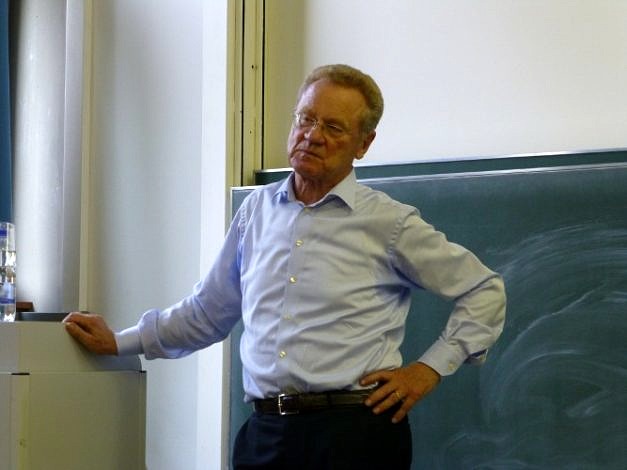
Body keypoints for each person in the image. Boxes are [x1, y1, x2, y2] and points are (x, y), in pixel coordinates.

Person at [64, 64, 506, 469]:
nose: (312, 135)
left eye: (333, 127)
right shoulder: (256, 211)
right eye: (305, 119)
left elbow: (484, 290)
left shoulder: (389, 223)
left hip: (354, 434)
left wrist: (427, 370)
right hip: (266, 433)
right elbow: (207, 312)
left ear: (364, 144)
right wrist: (119, 342)